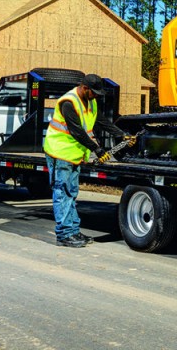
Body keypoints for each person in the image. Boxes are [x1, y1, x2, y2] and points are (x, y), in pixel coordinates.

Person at [43, 73, 126, 248]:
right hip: (60, 153)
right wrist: (97, 149)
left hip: (74, 154)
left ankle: (73, 231)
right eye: (94, 92)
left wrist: (121, 134)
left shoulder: (91, 102)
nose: (96, 95)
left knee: (71, 193)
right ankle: (64, 235)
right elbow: (77, 131)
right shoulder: (68, 102)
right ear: (84, 88)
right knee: (63, 192)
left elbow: (101, 121)